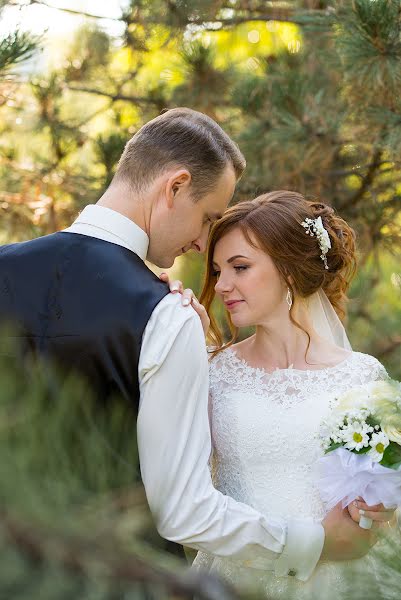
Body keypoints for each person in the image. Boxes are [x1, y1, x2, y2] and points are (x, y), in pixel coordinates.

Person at [0, 109, 377, 582]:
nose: (202, 243)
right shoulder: (163, 314)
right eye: (207, 218)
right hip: (121, 579)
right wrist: (315, 543)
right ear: (174, 187)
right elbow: (182, 509)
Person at [168, 190, 399, 598]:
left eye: (240, 267)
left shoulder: (362, 375)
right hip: (239, 578)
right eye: (219, 271)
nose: (222, 285)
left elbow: (381, 494)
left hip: (341, 579)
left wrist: (379, 507)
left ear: (289, 271)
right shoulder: (211, 371)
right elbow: (185, 492)